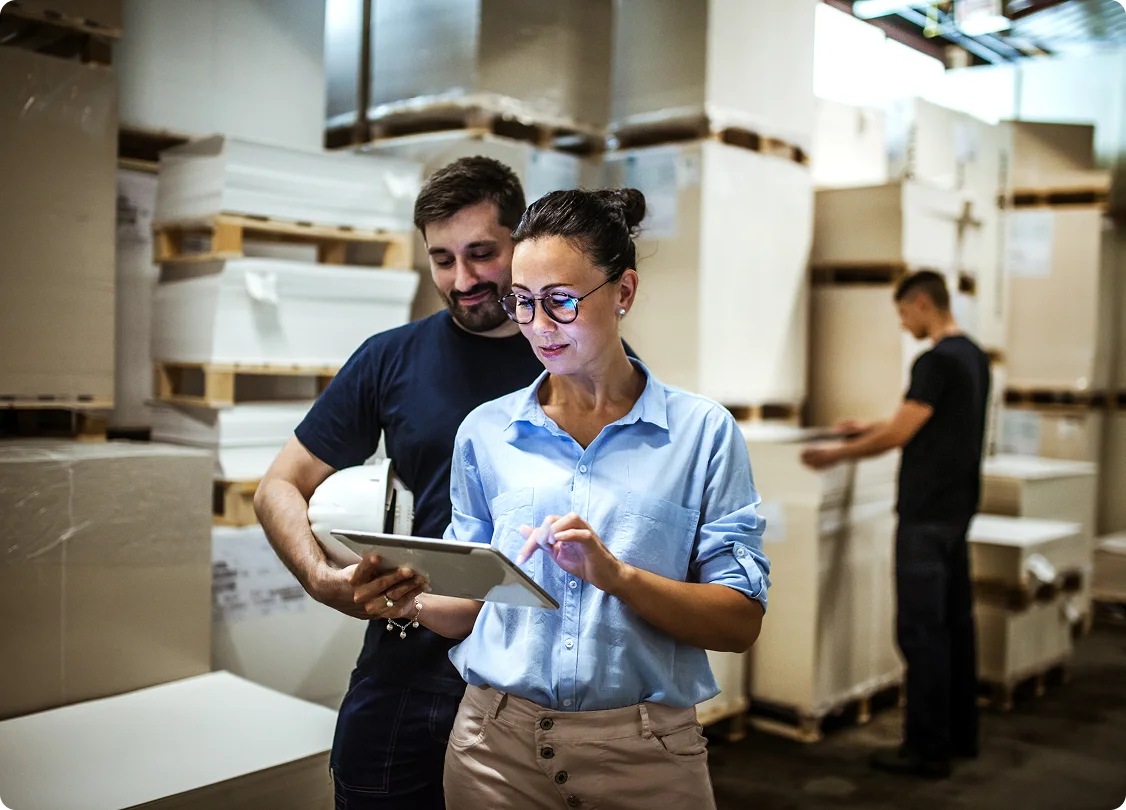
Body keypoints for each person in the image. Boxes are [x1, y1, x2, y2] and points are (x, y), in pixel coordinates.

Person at [352, 188, 771, 810]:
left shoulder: (701, 434)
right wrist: (407, 596)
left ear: (624, 292)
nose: (539, 326)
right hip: (493, 751)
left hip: (645, 757)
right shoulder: (485, 432)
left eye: (560, 301)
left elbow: (738, 622)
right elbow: (475, 605)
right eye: (522, 302)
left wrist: (617, 576)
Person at [255, 157, 560, 809]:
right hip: (406, 669)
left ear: (522, 242)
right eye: (442, 260)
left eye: (481, 254)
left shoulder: (573, 360)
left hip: (535, 680)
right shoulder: (391, 357)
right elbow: (279, 485)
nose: (463, 280)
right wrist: (319, 578)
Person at [801, 270, 990, 779]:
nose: (904, 323)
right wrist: (869, 425)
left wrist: (836, 453)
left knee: (920, 631)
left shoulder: (934, 360)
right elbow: (927, 419)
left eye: (904, 313)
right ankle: (961, 735)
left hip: (925, 516)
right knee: (955, 625)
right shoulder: (972, 356)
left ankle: (926, 749)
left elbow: (901, 434)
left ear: (923, 303)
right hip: (957, 513)